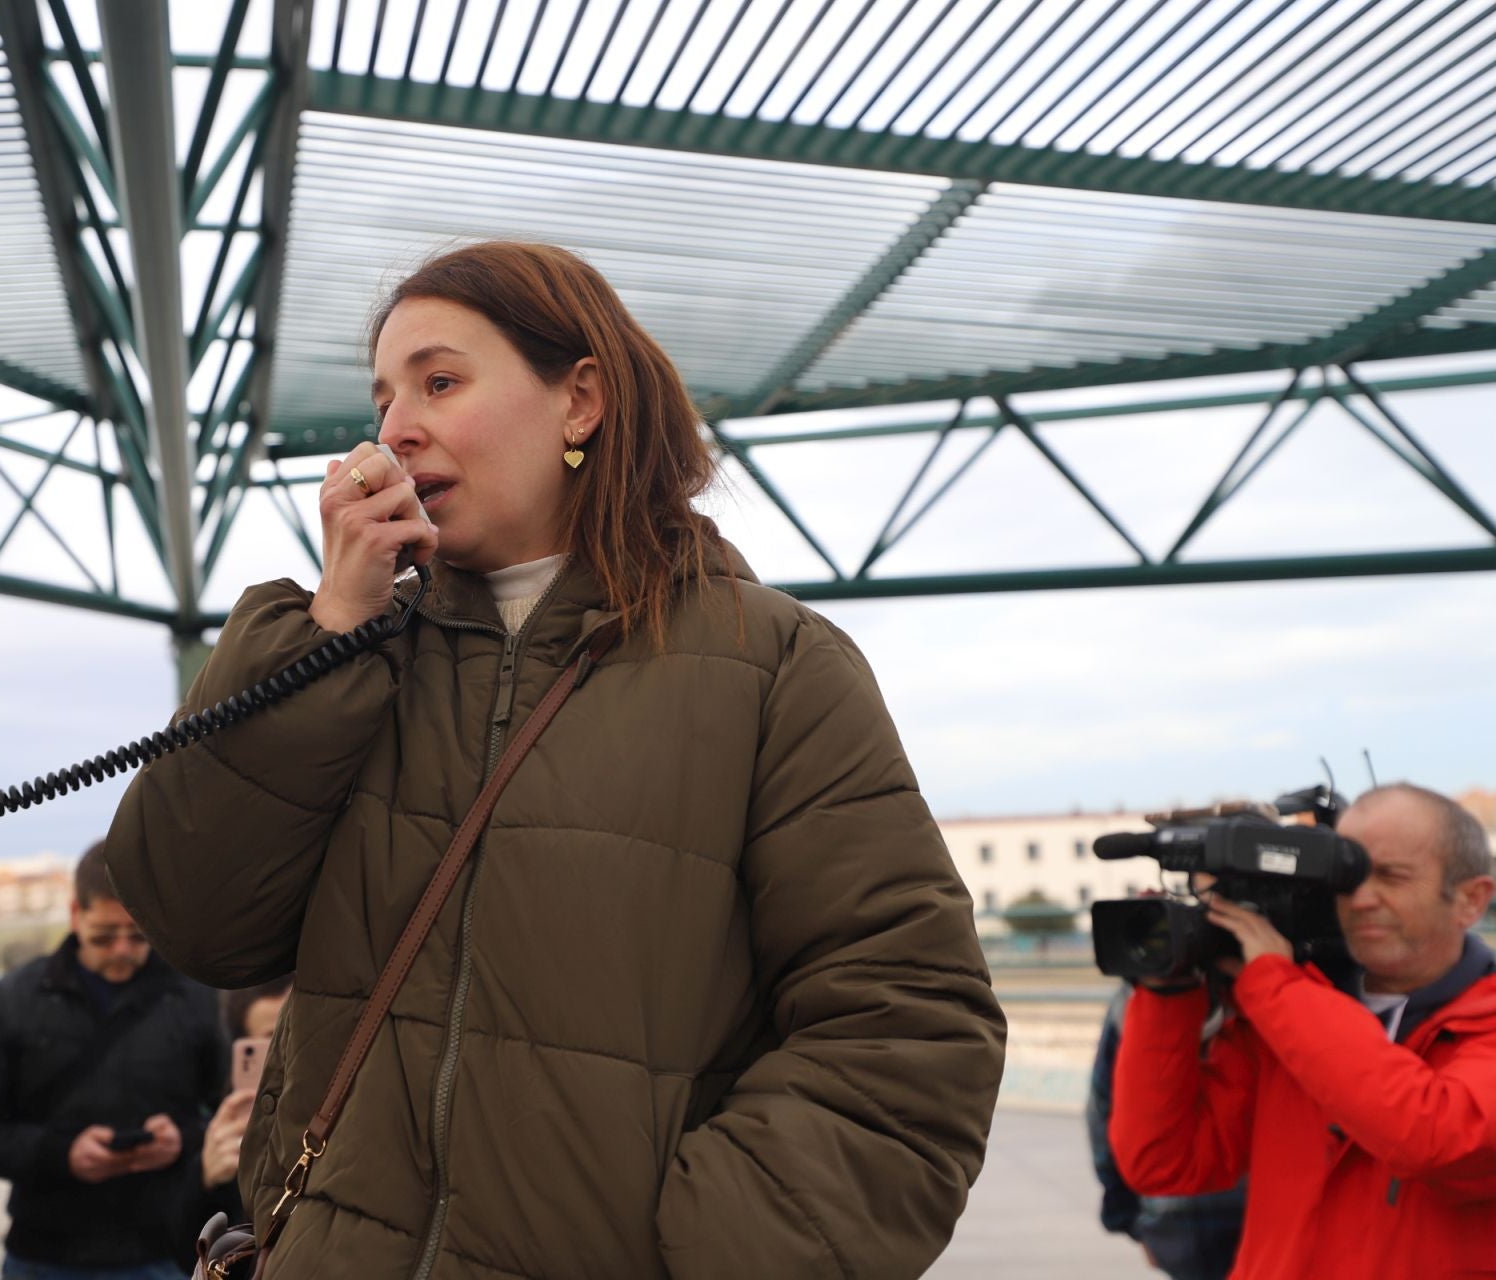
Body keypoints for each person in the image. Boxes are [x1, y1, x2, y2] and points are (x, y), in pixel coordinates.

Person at [107, 241, 1007, 1278]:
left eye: (440, 381)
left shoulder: (772, 666)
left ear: (580, 401)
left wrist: (713, 1250)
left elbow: (906, 1021)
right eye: (386, 396)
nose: (395, 427)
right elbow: (197, 919)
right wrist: (329, 629)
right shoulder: (352, 659)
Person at [1110, 783, 1496, 1278]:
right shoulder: (1292, 1014)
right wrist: (1169, 993)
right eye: (1346, 876)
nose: (1360, 899)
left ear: (1471, 900)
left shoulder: (1291, 1007)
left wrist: (1276, 987)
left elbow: (1436, 1139)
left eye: (1391, 876)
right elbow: (1164, 1161)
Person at [0, 841, 228, 1280]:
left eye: (138, 936)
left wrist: (185, 1140)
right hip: (45, 1255)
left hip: (168, 1251)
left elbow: (238, 1117)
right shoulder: (15, 997)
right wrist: (62, 1153)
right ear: (75, 914)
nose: (120, 950)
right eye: (103, 935)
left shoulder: (196, 995)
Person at [1088, 982, 1243, 1278]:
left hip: (1173, 1221)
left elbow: (1103, 1111)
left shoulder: (1137, 994)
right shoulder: (1270, 985)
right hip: (1260, 1213)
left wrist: (1127, 1217)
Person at [196, 979, 294, 1237]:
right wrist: (207, 1181)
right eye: (272, 1039)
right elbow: (193, 1250)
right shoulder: (225, 1118)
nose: (293, 1050)